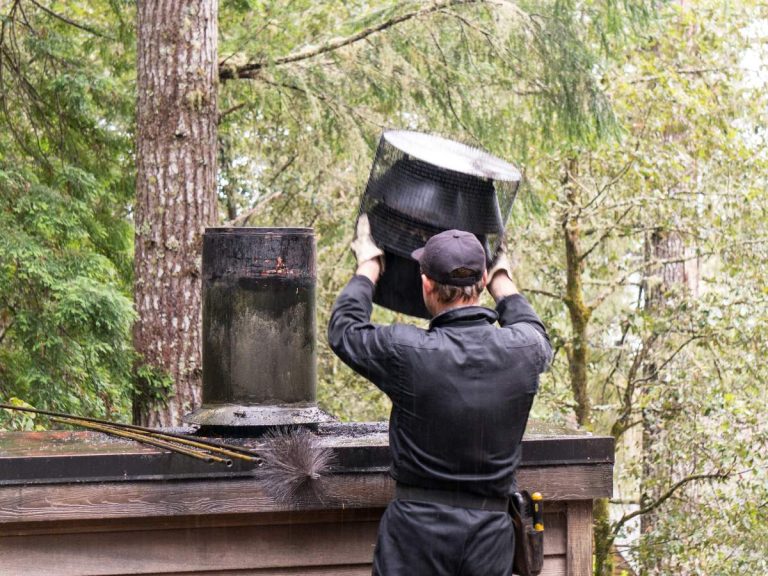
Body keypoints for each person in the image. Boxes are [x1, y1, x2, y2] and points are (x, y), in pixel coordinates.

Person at [328, 215, 552, 576]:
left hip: (414, 538)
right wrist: (502, 281)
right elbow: (535, 330)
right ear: (480, 282)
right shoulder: (524, 349)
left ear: (426, 285)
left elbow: (344, 329)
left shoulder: (406, 351)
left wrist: (369, 266)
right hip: (490, 539)